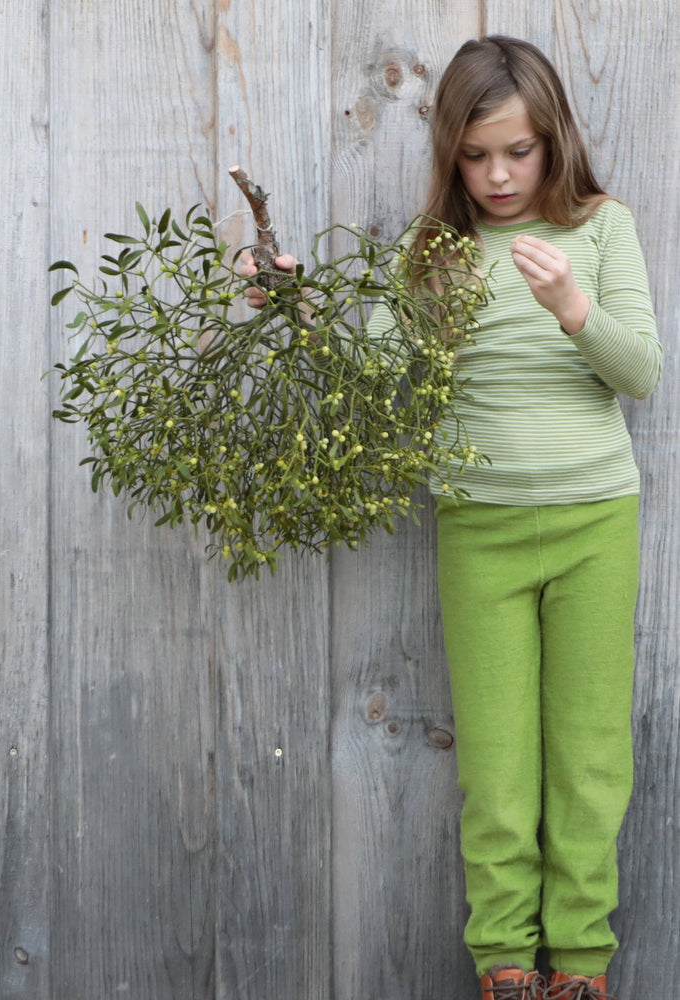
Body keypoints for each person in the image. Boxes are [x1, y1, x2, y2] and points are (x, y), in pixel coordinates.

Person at [240, 35, 662, 1000]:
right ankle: (506, 963)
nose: (499, 175)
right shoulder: (431, 253)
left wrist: (572, 307)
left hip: (597, 520)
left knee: (591, 758)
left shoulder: (601, 228)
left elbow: (639, 371)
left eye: (518, 151)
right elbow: (373, 381)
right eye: (475, 156)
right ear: (450, 155)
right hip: (479, 524)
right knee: (501, 765)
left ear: (552, 139)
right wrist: (298, 311)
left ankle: (584, 966)